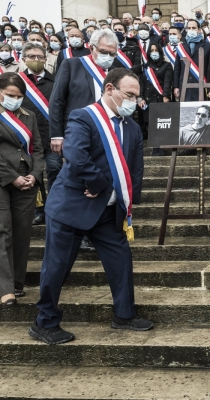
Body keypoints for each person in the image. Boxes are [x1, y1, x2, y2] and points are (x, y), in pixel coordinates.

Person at [30, 68, 152, 345]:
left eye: (137, 96)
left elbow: (135, 169)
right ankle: (45, 322)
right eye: (128, 94)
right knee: (56, 267)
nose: (133, 100)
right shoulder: (83, 117)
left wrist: (129, 201)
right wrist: (98, 184)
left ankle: (124, 315)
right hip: (72, 207)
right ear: (110, 89)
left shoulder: (132, 128)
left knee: (121, 262)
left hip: (108, 212)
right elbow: (75, 154)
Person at [49, 29, 118, 252]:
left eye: (113, 53)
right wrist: (57, 135)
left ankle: (93, 229)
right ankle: (73, 227)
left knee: (99, 179)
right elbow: (57, 100)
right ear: (92, 47)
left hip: (105, 135)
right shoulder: (72, 65)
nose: (108, 56)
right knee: (79, 179)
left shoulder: (115, 73)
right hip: (76, 135)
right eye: (105, 51)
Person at [0, 72, 44, 307]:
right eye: (9, 95)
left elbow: (37, 149)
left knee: (22, 232)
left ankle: (17, 283)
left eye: (19, 96)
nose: (14, 100)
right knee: (3, 230)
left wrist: (35, 176)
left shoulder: (30, 117)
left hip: (27, 180)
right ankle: (4, 289)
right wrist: (12, 176)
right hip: (2, 179)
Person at [17, 43, 58, 227]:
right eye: (31, 57)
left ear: (45, 59)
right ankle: (39, 210)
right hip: (27, 138)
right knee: (35, 175)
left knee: (54, 169)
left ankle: (55, 208)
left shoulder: (55, 80)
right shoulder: (16, 81)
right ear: (24, 59)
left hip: (51, 137)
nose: (36, 60)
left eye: (40, 57)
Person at [139, 44, 173, 156]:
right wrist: (141, 98)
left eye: (156, 50)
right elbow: (142, 83)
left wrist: (166, 95)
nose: (154, 52)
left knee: (161, 123)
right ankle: (155, 148)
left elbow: (168, 82)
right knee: (152, 124)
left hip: (161, 97)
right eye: (152, 50)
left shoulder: (166, 65)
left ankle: (161, 148)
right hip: (148, 98)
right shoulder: (145, 66)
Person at [173, 19, 210, 102]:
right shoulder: (181, 47)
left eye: (193, 28)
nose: (191, 30)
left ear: (199, 30)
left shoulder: (208, 46)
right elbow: (177, 68)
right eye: (189, 28)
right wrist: (176, 86)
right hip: (184, 86)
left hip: (201, 85)